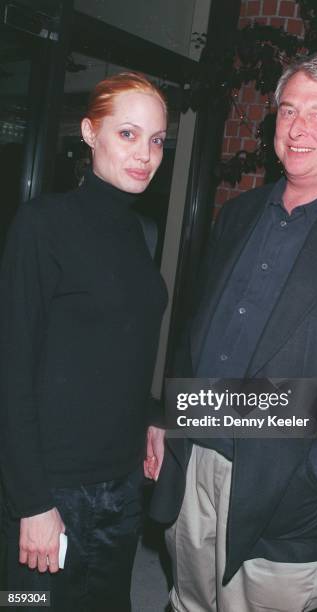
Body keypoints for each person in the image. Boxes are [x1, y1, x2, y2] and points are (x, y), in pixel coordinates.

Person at [149, 54, 317, 612]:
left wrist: (316, 472)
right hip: (193, 465)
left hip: (288, 499)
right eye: (289, 110)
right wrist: (169, 417)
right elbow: (198, 332)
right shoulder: (238, 214)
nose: (298, 129)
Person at [0, 71, 167, 611]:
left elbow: (124, 349)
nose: (145, 153)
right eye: (128, 134)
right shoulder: (41, 225)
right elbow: (11, 366)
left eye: (157, 140)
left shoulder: (142, 234)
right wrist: (31, 502)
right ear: (90, 131)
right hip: (53, 486)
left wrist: (151, 415)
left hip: (120, 486)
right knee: (28, 604)